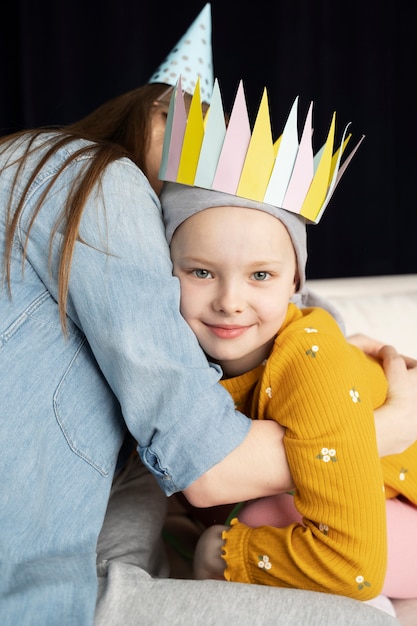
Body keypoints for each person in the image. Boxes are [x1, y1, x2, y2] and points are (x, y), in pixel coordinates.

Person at [0, 5, 413, 626]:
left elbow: (270, 296)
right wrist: (388, 424)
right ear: (158, 111)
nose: (199, 171)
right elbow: (211, 469)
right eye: (197, 270)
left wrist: (334, 354)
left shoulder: (47, 178)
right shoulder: (99, 182)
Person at [158, 77, 417, 606]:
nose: (230, 301)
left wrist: (224, 550)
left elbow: (354, 567)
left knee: (253, 518)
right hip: (362, 499)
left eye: (261, 276)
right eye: (202, 272)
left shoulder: (308, 358)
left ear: (295, 282)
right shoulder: (171, 359)